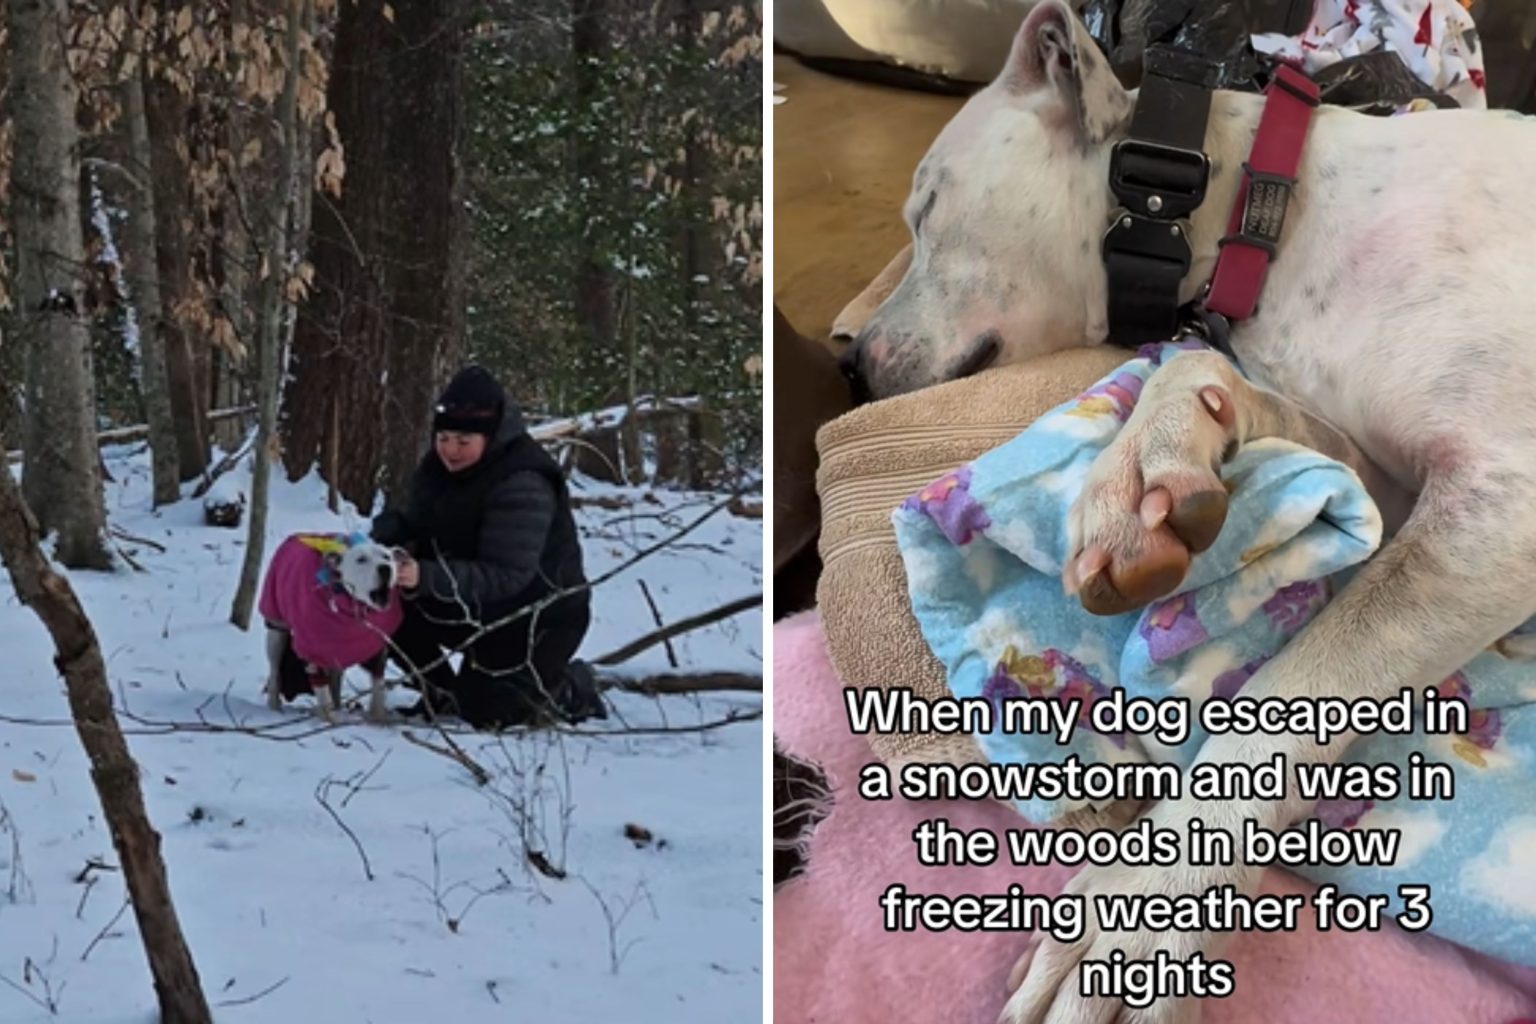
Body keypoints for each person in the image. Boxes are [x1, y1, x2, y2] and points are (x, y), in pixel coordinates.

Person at [370, 365, 605, 729]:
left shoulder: (523, 482)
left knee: (495, 714)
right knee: (377, 604)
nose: (451, 450)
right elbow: (420, 519)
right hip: (469, 605)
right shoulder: (437, 469)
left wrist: (424, 576)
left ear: (491, 437)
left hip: (537, 617)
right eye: (444, 438)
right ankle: (441, 693)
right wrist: (393, 531)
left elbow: (507, 574)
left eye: (464, 442)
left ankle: (568, 687)